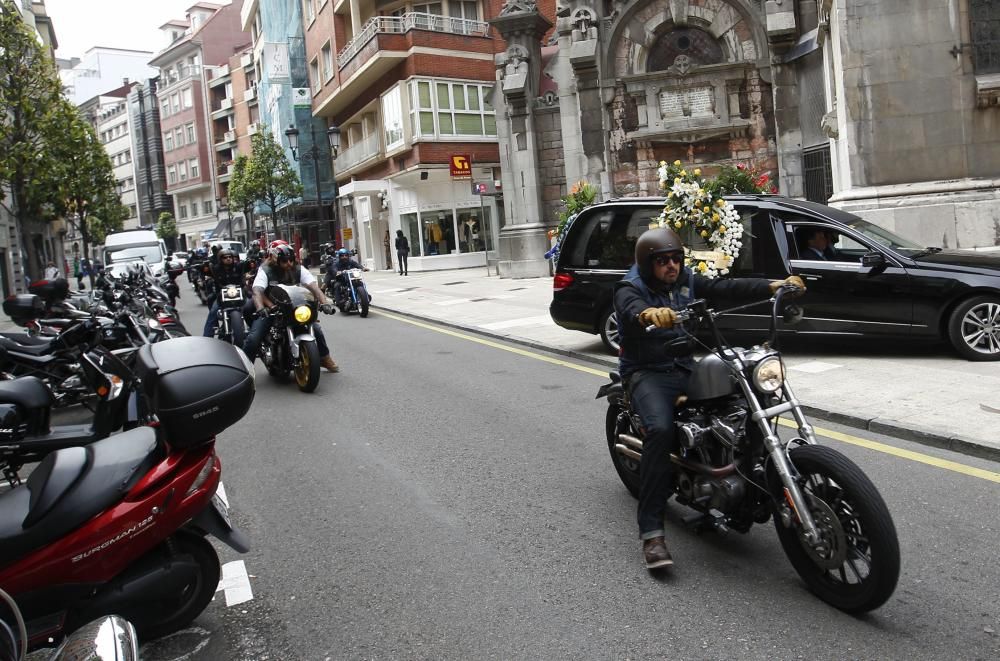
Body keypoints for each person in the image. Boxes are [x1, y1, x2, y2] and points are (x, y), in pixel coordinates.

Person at [614, 227, 804, 570]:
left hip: (685, 363)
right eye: (662, 261)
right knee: (659, 430)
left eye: (675, 258)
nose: (671, 266)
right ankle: (652, 533)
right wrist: (647, 315)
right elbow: (630, 309)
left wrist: (771, 286)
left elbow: (722, 287)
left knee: (742, 403)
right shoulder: (631, 287)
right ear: (646, 264)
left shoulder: (685, 279)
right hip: (649, 371)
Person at [243, 243, 340, 373]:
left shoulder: (299, 269)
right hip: (272, 308)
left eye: (291, 260)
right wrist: (261, 308)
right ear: (276, 259)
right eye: (284, 261)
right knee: (254, 338)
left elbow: (313, 287)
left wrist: (324, 302)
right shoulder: (265, 270)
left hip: (293, 307)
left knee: (316, 329)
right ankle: (244, 369)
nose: (288, 263)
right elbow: (257, 291)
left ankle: (324, 357)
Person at [202, 248, 249, 337]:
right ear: (220, 259)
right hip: (222, 297)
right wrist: (203, 267)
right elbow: (206, 271)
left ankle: (254, 330)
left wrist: (251, 263)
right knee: (213, 312)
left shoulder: (238, 267)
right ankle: (207, 336)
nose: (228, 259)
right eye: (225, 257)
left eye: (230, 257)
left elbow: (248, 265)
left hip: (240, 295)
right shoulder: (216, 269)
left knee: (251, 307)